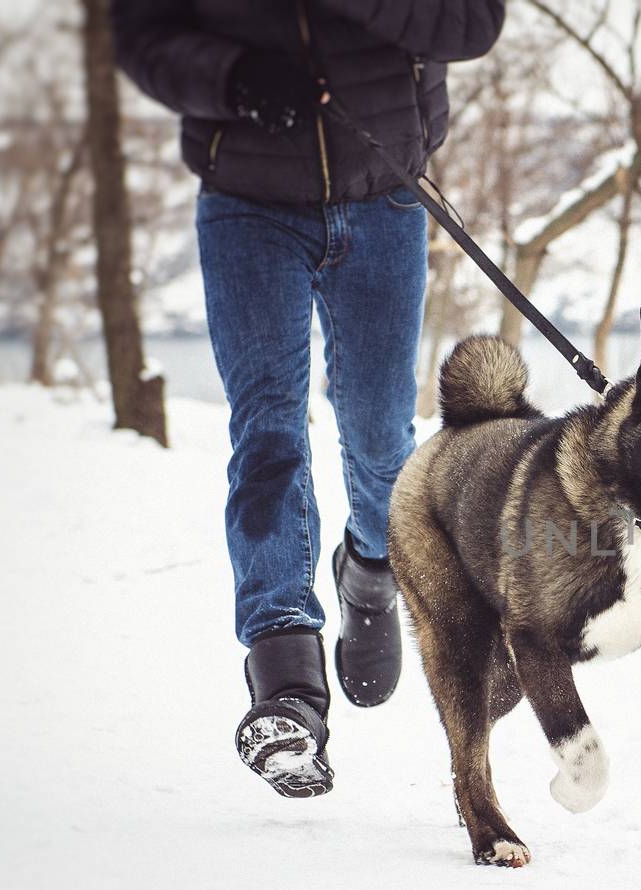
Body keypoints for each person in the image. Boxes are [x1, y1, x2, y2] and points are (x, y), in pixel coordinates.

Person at [113, 0, 505, 798]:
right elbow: (142, 37)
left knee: (380, 439)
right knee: (268, 437)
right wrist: (236, 78)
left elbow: (473, 23)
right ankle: (287, 685)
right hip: (246, 202)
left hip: (384, 193)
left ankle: (369, 574)